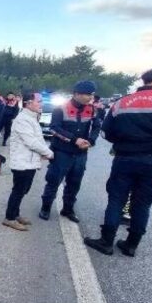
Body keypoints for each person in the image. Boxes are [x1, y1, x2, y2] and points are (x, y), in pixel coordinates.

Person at [84, 68, 152, 256]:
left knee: (116, 199)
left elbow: (106, 133)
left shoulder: (122, 103)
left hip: (125, 159)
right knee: (142, 204)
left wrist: (124, 142)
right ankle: (131, 245)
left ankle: (106, 242)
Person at [39, 80, 102, 222]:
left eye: (91, 94)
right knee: (54, 180)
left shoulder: (92, 109)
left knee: (74, 183)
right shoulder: (61, 108)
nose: (90, 97)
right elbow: (54, 128)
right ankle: (46, 207)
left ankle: (68, 209)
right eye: (87, 95)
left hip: (80, 154)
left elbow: (97, 127)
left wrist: (91, 141)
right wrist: (75, 140)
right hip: (62, 152)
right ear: (76, 94)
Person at [3, 93, 54, 231]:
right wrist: (48, 153)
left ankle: (16, 213)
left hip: (29, 161)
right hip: (22, 162)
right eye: (39, 101)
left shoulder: (31, 118)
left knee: (24, 190)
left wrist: (42, 152)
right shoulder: (22, 119)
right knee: (18, 190)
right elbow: (31, 142)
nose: (41, 104)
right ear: (28, 103)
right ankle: (9, 218)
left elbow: (38, 139)